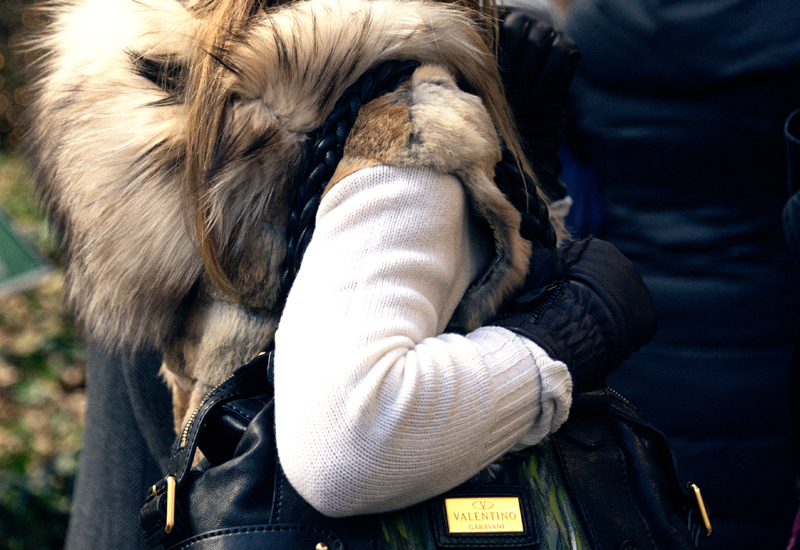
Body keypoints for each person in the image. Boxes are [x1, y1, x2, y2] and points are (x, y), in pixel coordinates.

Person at [23, 0, 655, 547]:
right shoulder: (393, 117)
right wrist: (564, 335)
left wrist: (522, 187)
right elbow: (347, 447)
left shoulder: (156, 70)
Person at [561, 0, 800, 547]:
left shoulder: (593, 30)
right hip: (768, 330)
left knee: (651, 504)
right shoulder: (787, 34)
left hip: (627, 327)